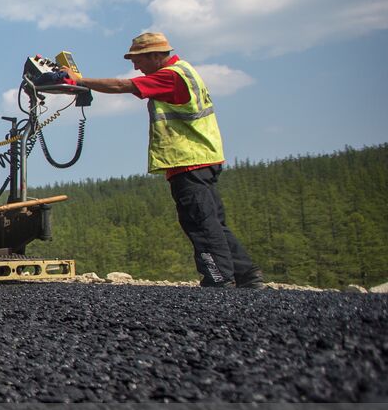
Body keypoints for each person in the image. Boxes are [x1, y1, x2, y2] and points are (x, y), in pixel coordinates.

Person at [64, 31, 264, 289]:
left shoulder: (171, 76)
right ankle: (246, 276)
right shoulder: (185, 70)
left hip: (188, 161)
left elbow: (123, 86)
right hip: (204, 158)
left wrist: (79, 80)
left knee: (199, 222)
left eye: (138, 59)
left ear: (156, 56)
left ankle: (218, 279)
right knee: (213, 221)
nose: (135, 66)